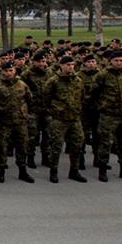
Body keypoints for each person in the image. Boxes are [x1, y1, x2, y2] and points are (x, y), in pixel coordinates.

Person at [94, 52, 122, 182]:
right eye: (116, 60)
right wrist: (101, 106)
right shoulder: (103, 75)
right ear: (110, 61)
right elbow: (93, 92)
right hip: (109, 115)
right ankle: (102, 169)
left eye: (121, 60)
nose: (119, 63)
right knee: (105, 143)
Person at [44, 55, 87, 183]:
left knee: (77, 144)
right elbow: (46, 98)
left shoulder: (78, 80)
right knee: (56, 146)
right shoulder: (53, 81)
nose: (70, 67)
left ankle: (74, 170)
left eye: (72, 65)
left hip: (74, 118)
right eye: (68, 65)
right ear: (61, 65)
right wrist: (54, 111)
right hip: (59, 119)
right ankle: (53, 171)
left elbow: (82, 96)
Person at [0, 62, 35, 184]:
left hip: (20, 122)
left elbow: (29, 99)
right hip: (3, 122)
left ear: (14, 71)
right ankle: (1, 171)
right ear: (2, 71)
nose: (9, 73)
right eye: (6, 71)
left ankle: (23, 171)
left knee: (22, 147)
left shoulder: (21, 84)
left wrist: (26, 113)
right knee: (2, 148)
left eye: (11, 70)